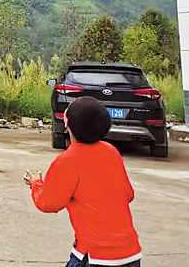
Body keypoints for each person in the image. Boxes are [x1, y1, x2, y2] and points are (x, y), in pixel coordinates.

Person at [24, 96, 142, 267]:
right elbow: (128, 195)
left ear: (67, 123)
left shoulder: (68, 160)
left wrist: (36, 183)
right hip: (130, 254)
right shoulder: (111, 152)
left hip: (94, 256)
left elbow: (48, 203)